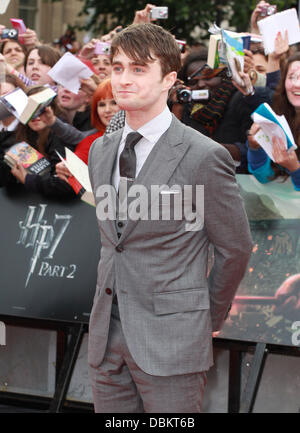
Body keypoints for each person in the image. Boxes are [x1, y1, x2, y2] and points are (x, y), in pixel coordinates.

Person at [88, 23, 253, 413]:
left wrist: (203, 317)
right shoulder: (100, 150)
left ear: (169, 79)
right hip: (105, 338)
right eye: (118, 67)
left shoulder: (202, 155)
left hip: (173, 340)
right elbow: (116, 242)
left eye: (139, 69)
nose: (123, 80)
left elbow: (235, 247)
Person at [247, 52, 300, 191]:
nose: (297, 84)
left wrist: (295, 169)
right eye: (292, 77)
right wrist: (255, 148)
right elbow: (264, 177)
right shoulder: (277, 118)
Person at [54, 79, 120, 184]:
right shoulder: (93, 140)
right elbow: (80, 157)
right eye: (102, 105)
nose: (107, 110)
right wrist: (67, 166)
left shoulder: (144, 133)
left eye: (114, 103)